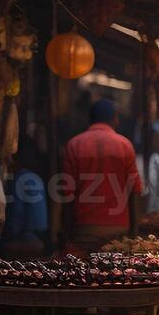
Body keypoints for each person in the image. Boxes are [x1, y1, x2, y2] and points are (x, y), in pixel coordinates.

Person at [57, 98, 142, 255]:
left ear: (90, 119)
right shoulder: (125, 146)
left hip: (83, 232)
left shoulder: (74, 144)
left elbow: (66, 194)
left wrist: (67, 233)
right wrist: (135, 234)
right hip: (118, 235)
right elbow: (135, 192)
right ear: (115, 118)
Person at [137, 120, 159, 215]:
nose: (156, 141)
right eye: (154, 138)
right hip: (142, 211)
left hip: (157, 211)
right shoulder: (139, 159)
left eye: (158, 138)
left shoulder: (157, 159)